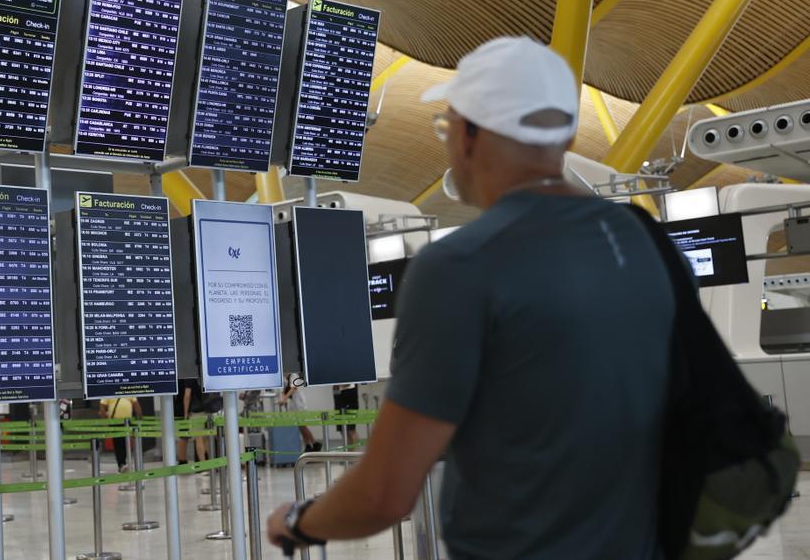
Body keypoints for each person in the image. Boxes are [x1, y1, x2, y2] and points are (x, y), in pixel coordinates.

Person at [266, 37, 673, 559]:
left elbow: (385, 493)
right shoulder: (642, 242)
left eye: (448, 125)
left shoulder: (460, 268)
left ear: (472, 136)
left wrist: (299, 520)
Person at [98, 396, 142, 472]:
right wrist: (105, 420)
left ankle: (125, 463)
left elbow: (136, 405)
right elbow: (102, 407)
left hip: (127, 422)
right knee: (118, 443)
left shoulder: (128, 392)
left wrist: (139, 417)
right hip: (115, 422)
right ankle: (121, 464)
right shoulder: (108, 393)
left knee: (126, 442)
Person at [278, 373, 320, 453]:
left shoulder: (294, 375)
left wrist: (284, 399)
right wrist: (283, 399)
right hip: (293, 406)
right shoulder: (284, 378)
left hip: (299, 405)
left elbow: (294, 388)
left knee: (303, 426)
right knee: (300, 427)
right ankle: (307, 445)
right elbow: (283, 391)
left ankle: (314, 443)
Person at [331, 384, 360, 448]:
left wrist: (340, 384)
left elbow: (349, 383)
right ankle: (349, 450)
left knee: (351, 429)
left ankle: (354, 451)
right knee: (341, 428)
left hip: (349, 394)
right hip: (338, 395)